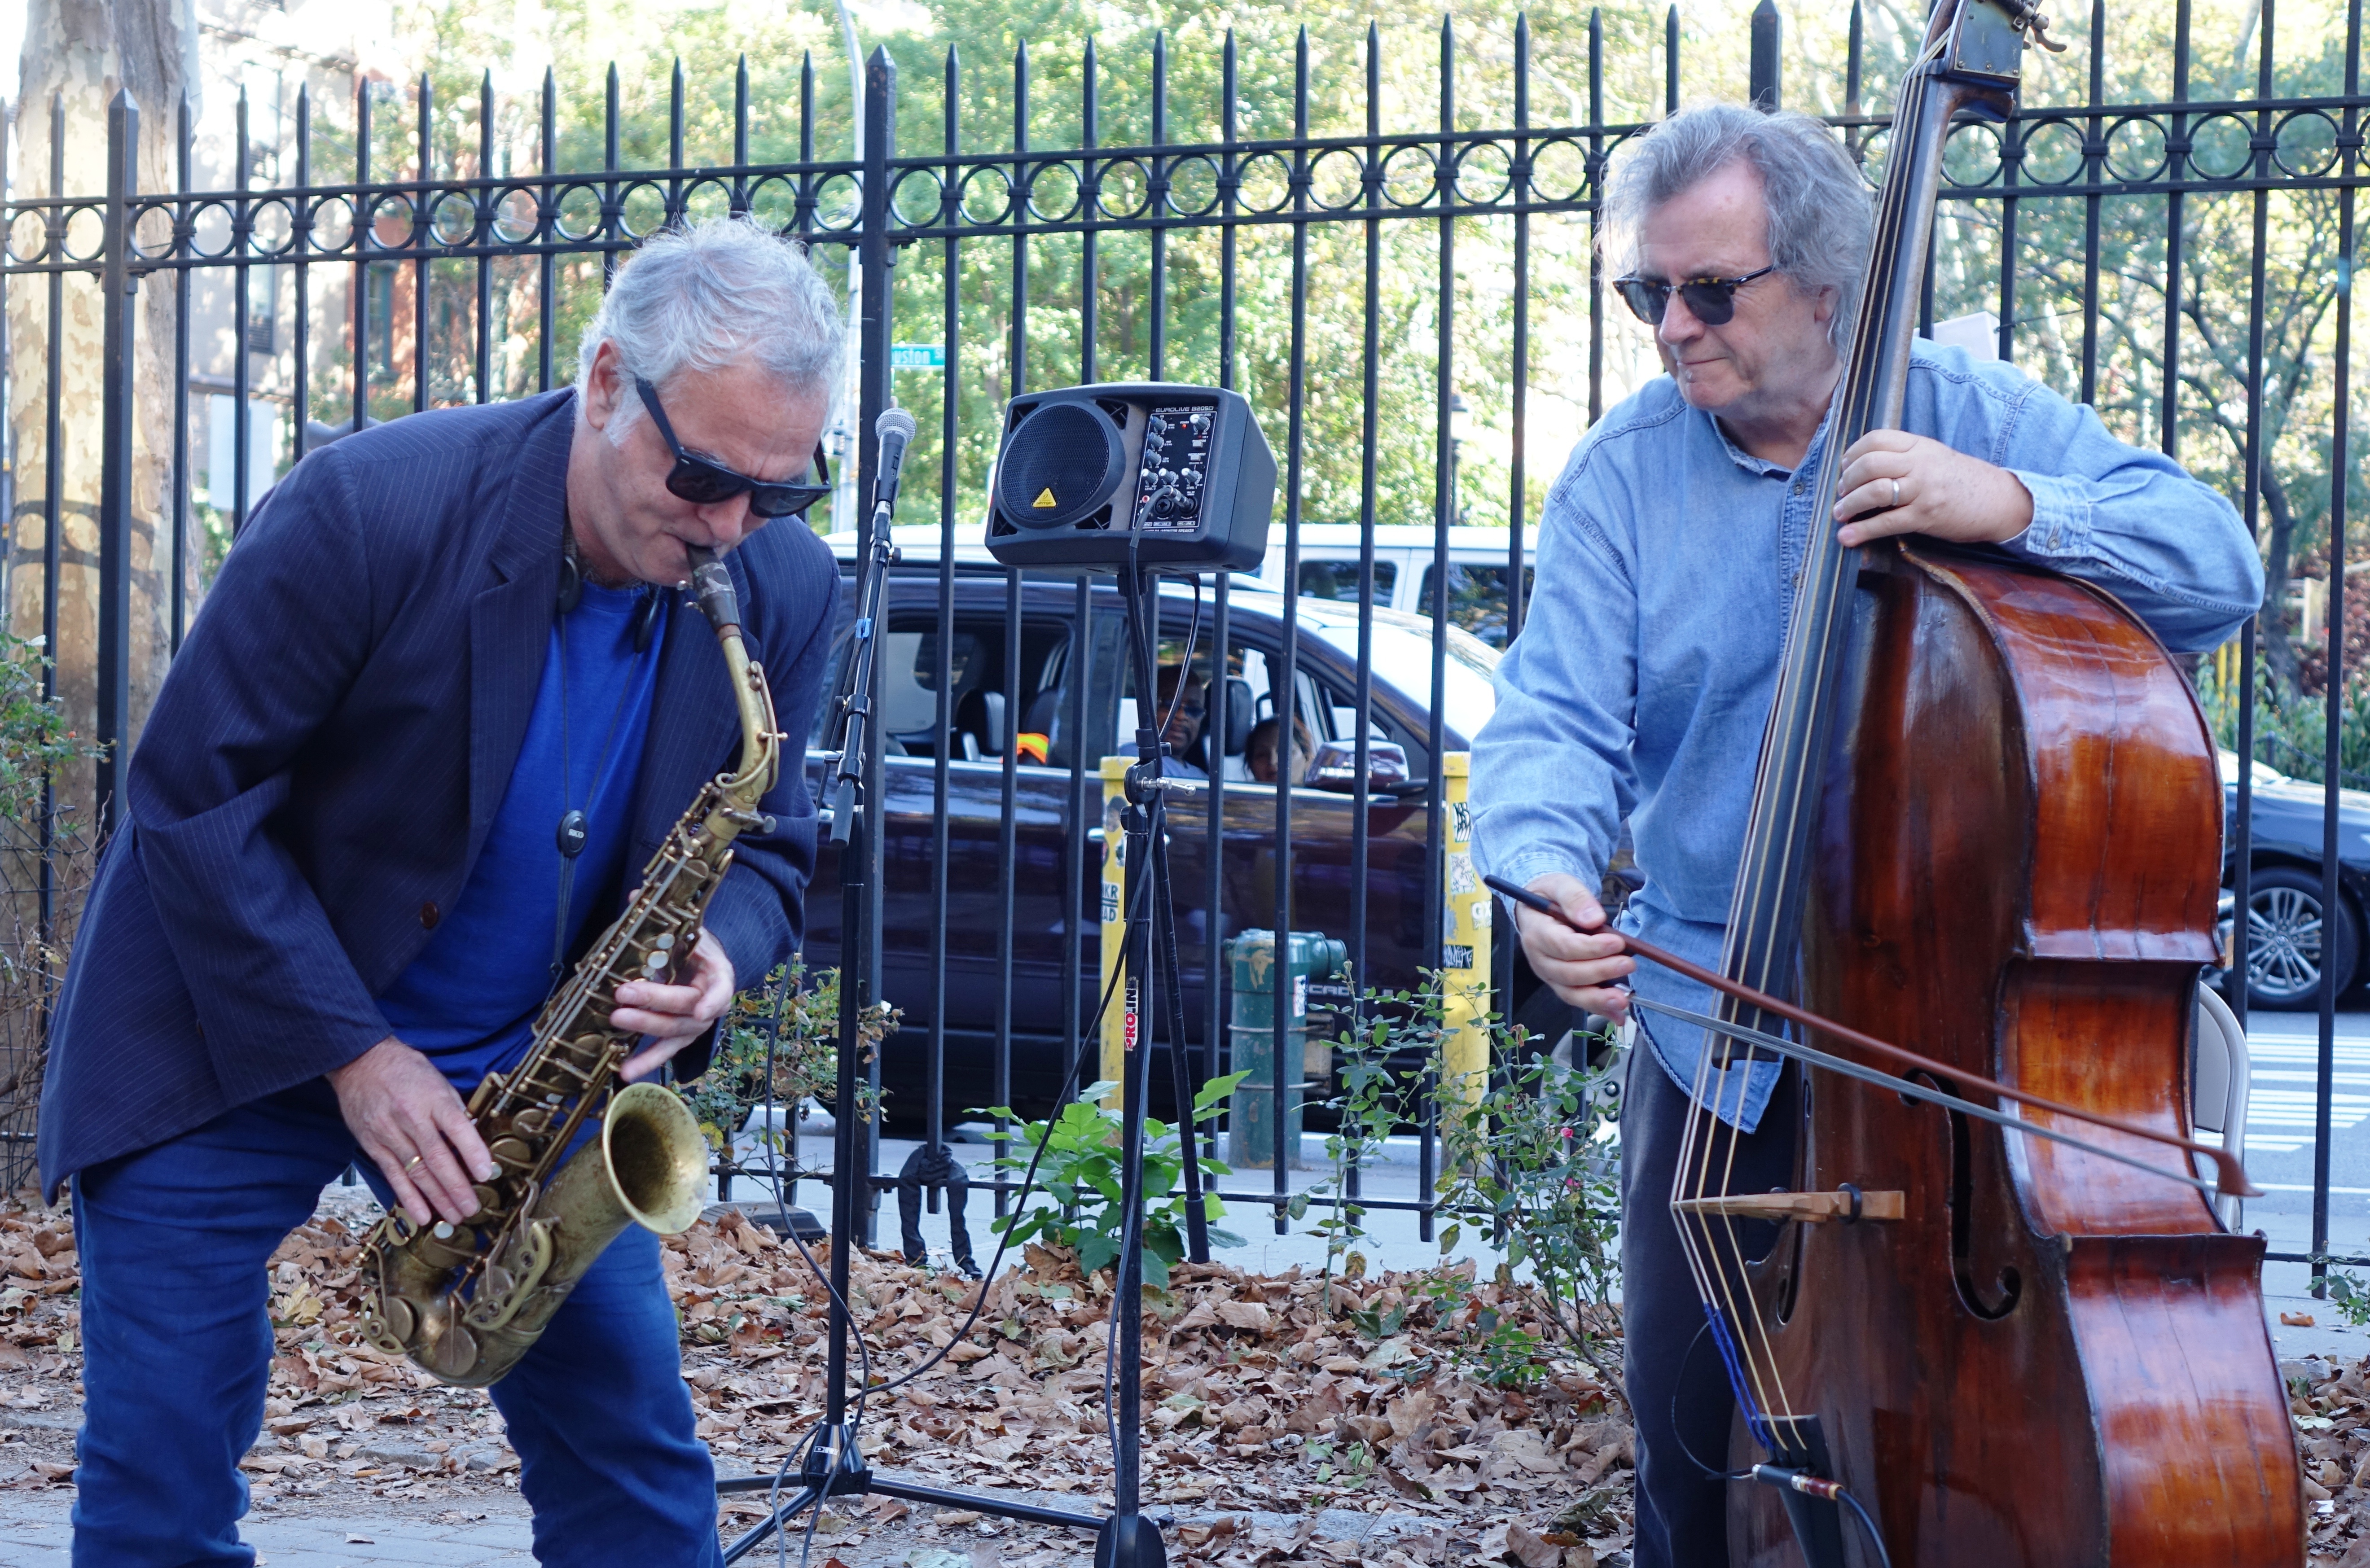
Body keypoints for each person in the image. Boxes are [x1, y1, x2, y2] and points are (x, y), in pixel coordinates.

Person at [1467, 103, 2260, 1568]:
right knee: (1693, 1457)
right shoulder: (1624, 479)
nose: (1673, 327)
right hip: (1717, 1025)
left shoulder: (1977, 418)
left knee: (1997, 1433)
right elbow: (1549, 726)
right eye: (1649, 292)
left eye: (1713, 290)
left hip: (1957, 1055)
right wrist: (1545, 874)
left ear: (1828, 283)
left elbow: (2220, 563)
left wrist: (2023, 508)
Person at [38, 218, 845, 1566]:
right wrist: (355, 1051)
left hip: (528, 1072)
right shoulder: (371, 506)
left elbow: (770, 840)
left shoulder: (780, 583)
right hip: (228, 1028)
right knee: (160, 1472)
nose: (728, 528)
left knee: (636, 1469)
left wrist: (722, 951)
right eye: (702, 474)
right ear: (603, 386)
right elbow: (189, 800)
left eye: (775, 492)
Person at [1153, 663, 1209, 779]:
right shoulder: (1132, 761)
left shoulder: (1203, 779)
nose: (1182, 716)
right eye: (1170, 704)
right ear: (1150, 707)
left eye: (1194, 710)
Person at [1245, 713, 1312, 784]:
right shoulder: (1237, 795)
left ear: (1307, 759)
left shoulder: (1322, 794)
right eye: (1262, 755)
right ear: (1251, 766)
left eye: (1284, 752)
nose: (1273, 761)